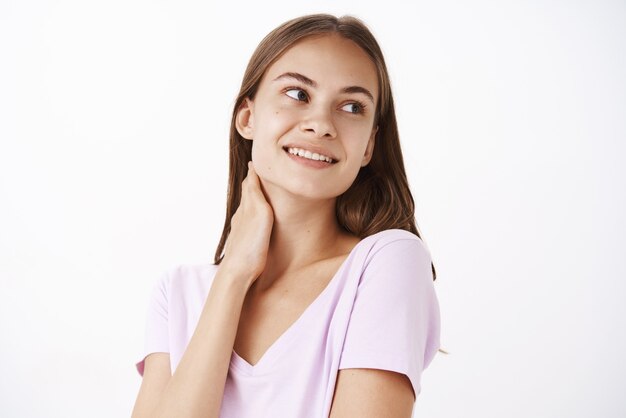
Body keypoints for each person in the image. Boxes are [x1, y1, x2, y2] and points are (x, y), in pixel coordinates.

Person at [131, 13, 440, 418]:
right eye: (297, 94)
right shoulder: (177, 294)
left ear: (368, 146)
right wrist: (233, 275)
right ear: (248, 117)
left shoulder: (387, 262)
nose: (321, 124)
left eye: (351, 106)